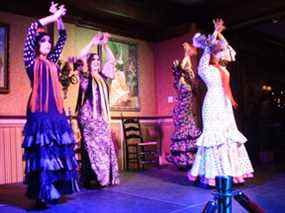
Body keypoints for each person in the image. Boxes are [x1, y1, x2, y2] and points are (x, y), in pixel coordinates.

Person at [22, 2, 79, 208]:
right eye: (43, 42)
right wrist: (52, 17)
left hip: (56, 112)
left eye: (48, 42)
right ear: (37, 45)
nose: (47, 44)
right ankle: (41, 194)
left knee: (55, 151)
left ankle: (54, 188)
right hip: (39, 112)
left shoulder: (53, 62)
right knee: (41, 153)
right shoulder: (30, 60)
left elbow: (63, 37)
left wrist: (59, 18)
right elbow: (31, 28)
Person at [188, 19, 254, 186]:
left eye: (219, 52)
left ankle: (233, 173)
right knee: (214, 137)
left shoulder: (223, 69)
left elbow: (226, 47)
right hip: (212, 103)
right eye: (215, 52)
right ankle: (211, 175)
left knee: (228, 136)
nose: (219, 54)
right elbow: (207, 51)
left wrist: (219, 33)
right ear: (210, 53)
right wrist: (214, 33)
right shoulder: (205, 68)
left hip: (224, 103)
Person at [76, 32, 120, 188]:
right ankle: (94, 177)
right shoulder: (85, 76)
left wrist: (105, 44)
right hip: (88, 117)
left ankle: (103, 176)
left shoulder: (103, 76)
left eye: (97, 60)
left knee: (105, 144)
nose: (96, 61)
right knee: (92, 147)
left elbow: (112, 60)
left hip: (101, 117)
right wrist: (92, 42)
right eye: (93, 60)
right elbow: (80, 56)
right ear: (88, 63)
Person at [167, 42, 201, 170]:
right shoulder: (179, 81)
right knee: (183, 136)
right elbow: (183, 67)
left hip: (187, 111)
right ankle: (182, 162)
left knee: (189, 136)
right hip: (181, 112)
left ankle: (190, 161)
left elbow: (188, 68)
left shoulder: (189, 80)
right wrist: (186, 54)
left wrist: (187, 54)